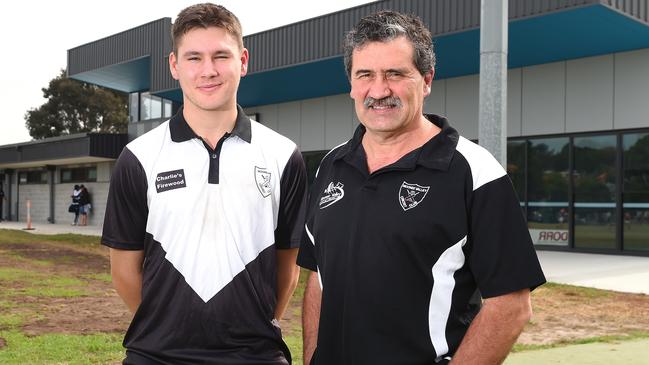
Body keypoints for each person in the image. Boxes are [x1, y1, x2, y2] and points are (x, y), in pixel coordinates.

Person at [298, 10, 546, 365]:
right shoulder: (331, 165)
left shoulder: (474, 171)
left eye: (395, 74)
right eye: (365, 74)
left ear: (427, 80)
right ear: (351, 84)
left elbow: (511, 305)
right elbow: (319, 278)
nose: (379, 90)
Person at [101, 3, 307, 364]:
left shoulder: (283, 154)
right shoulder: (139, 157)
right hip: (156, 355)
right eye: (194, 57)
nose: (208, 70)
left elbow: (287, 268)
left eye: (220, 56)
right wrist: (163, 327)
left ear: (243, 61)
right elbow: (123, 270)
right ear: (174, 66)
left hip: (255, 355)